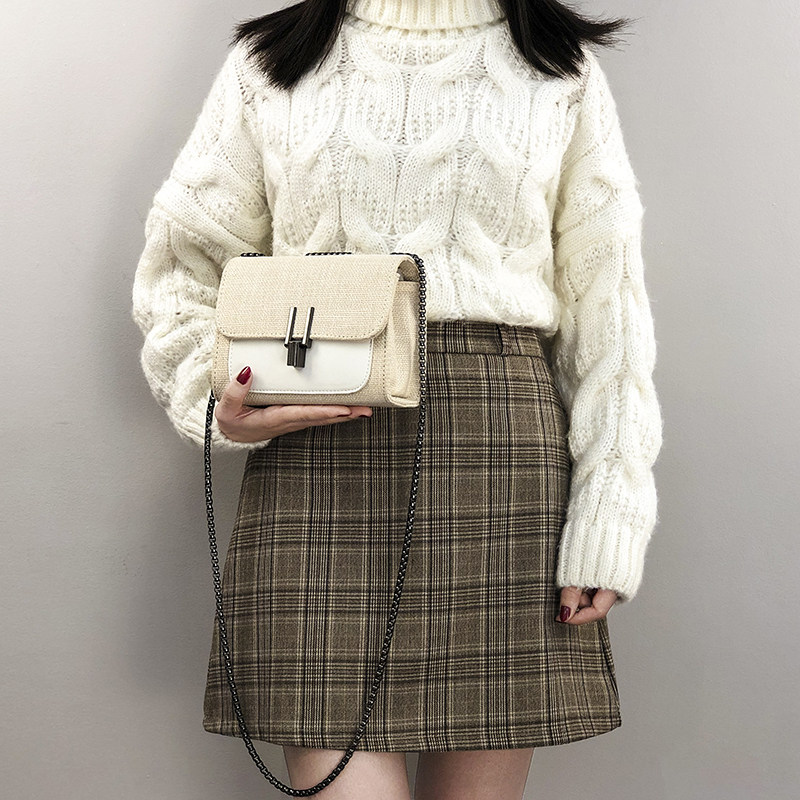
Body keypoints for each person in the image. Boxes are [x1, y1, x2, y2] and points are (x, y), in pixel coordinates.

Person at [131, 0, 663, 797]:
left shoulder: (557, 67)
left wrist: (610, 512)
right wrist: (217, 396)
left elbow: (609, 313)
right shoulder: (274, 61)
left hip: (499, 461)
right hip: (314, 454)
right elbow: (181, 267)